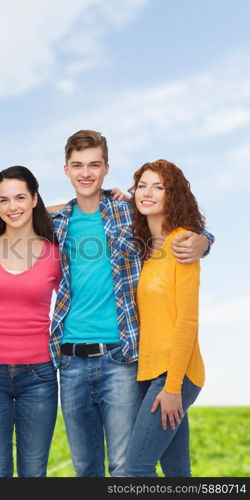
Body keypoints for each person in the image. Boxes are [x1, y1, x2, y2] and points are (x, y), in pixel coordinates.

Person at [47, 130, 214, 477]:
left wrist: (203, 240)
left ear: (107, 168)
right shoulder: (61, 222)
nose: (86, 172)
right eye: (77, 165)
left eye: (94, 164)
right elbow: (14, 211)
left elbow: (188, 233)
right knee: (97, 470)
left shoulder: (130, 214)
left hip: (123, 358)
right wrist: (43, 205)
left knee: (130, 469)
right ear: (65, 170)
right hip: (75, 359)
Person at [0, 166, 61, 477]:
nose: (12, 207)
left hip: (39, 376)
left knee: (34, 473)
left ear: (35, 199)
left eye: (20, 197)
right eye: (3, 200)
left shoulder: (54, 252)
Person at [124, 160, 205, 477]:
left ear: (174, 196)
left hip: (175, 375)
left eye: (158, 187)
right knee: (176, 473)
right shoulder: (146, 248)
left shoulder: (183, 243)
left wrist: (173, 387)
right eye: (142, 185)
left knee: (137, 468)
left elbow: (188, 321)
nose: (147, 193)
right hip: (149, 372)